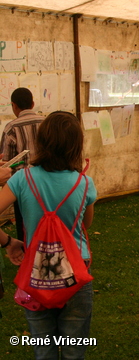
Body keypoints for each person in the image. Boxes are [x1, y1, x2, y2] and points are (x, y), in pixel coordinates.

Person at [0, 111, 97, 359]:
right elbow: (85, 223)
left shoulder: (22, 179)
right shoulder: (85, 184)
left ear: (41, 142)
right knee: (75, 348)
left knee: (44, 349)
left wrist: (9, 241)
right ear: (77, 144)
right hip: (76, 268)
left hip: (37, 270)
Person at [0, 87, 45, 241]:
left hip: (23, 186)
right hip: (47, 182)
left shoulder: (11, 128)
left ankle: (27, 254)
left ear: (14, 105)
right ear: (32, 104)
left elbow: (6, 164)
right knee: (47, 220)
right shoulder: (46, 123)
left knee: (25, 225)